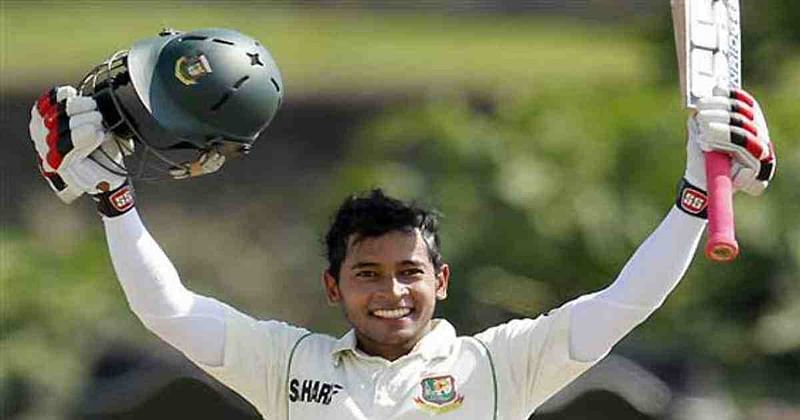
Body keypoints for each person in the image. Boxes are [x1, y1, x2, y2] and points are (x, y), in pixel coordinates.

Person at [28, 43, 776, 420]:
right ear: (333, 287)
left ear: (439, 281)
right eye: (368, 273)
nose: (392, 291)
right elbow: (169, 312)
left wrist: (693, 197)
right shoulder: (286, 367)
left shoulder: (501, 368)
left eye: (410, 272)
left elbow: (624, 305)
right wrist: (117, 202)